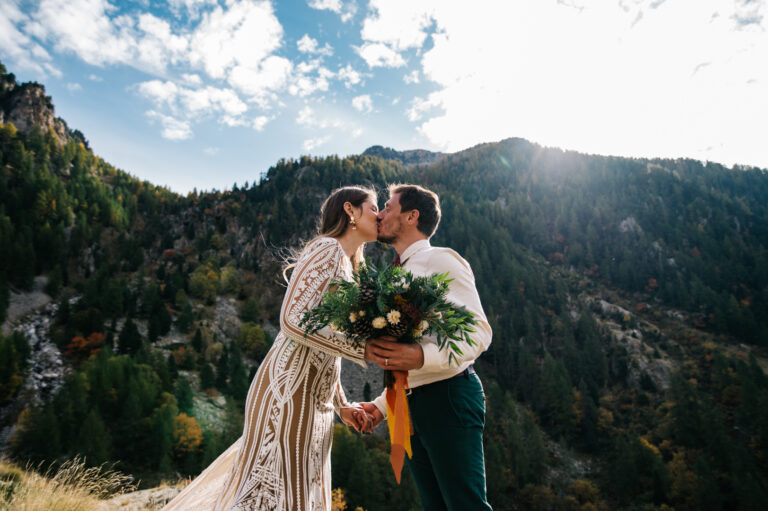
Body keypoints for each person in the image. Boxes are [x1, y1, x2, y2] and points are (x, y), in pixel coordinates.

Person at [163, 186, 380, 511]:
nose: (380, 216)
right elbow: (292, 320)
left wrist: (342, 405)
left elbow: (325, 345)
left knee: (298, 497)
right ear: (351, 211)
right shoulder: (327, 249)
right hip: (289, 391)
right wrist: (362, 347)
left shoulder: (348, 266)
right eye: (374, 208)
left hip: (315, 403)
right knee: (276, 497)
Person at [361, 184, 494, 511]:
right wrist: (381, 405)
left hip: (448, 396)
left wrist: (422, 356)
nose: (379, 214)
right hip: (408, 407)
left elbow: (478, 332)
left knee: (466, 506)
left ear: (411, 216)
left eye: (388, 208)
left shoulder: (441, 260)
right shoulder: (393, 274)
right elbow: (406, 352)